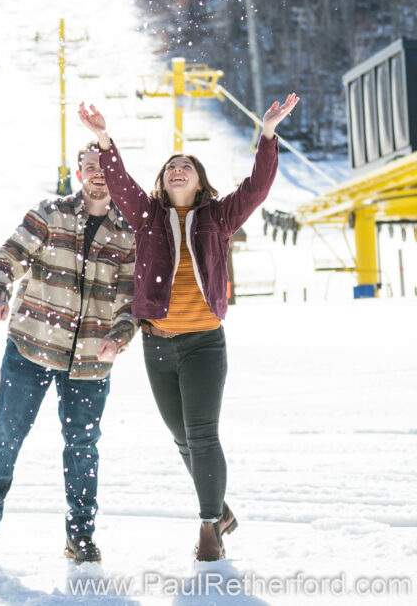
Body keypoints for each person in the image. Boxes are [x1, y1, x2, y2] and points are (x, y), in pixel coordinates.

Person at [78, 94, 299, 561]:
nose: (177, 169)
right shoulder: (146, 216)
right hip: (157, 346)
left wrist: (268, 134)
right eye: (171, 166)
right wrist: (102, 137)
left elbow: (257, 188)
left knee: (202, 434)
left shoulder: (219, 217)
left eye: (187, 166)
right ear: (162, 181)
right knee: (182, 439)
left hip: (203, 343)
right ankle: (220, 508)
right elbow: (119, 183)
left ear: (200, 182)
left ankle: (208, 528)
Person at [0, 142, 137, 565]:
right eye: (90, 167)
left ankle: (79, 535)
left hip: (91, 362)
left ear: (117, 171)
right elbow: (9, 254)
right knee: (6, 434)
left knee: (83, 446)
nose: (98, 173)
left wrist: (118, 336)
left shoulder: (129, 232)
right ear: (79, 173)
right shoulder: (51, 212)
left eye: (105, 167)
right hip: (32, 346)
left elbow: (132, 300)